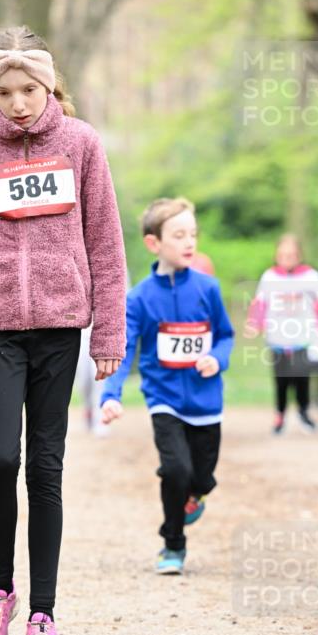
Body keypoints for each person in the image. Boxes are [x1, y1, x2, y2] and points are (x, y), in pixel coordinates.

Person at [0, 25, 127, 635]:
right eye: (4, 92)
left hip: (61, 328)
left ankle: (43, 614)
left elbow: (106, 243)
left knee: (45, 466)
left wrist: (109, 331)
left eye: (29, 90)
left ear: (49, 86)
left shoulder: (82, 143)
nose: (17, 103)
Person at [100, 197, 234, 575]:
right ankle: (173, 544)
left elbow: (225, 336)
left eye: (193, 234)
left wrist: (217, 359)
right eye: (178, 235)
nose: (189, 242)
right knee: (175, 470)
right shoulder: (139, 298)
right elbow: (124, 349)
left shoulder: (208, 289)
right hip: (164, 400)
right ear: (153, 243)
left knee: (201, 478)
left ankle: (195, 494)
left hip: (207, 402)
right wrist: (111, 394)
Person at [245, 234, 318, 434]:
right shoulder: (269, 277)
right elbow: (260, 303)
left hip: (303, 337)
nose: (286, 259)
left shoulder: (312, 277)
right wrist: (255, 324)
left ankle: (304, 413)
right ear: (276, 256)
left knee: (302, 377)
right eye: (282, 255)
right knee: (281, 379)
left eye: (291, 255)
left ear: (299, 255)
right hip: (277, 337)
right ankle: (280, 416)